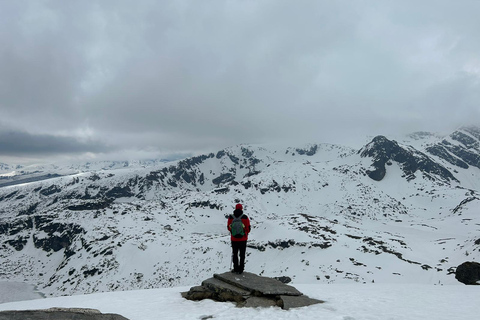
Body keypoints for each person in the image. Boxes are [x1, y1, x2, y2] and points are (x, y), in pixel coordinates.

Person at [227, 203, 251, 274]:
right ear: (241, 209)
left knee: (235, 253)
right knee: (242, 254)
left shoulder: (231, 217)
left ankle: (236, 268)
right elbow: (248, 228)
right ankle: (241, 269)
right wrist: (245, 232)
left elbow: (228, 227)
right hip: (243, 239)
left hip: (234, 239)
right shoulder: (245, 217)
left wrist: (233, 232)